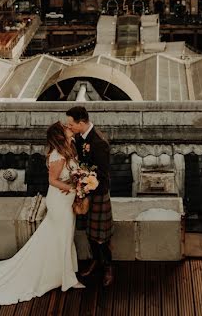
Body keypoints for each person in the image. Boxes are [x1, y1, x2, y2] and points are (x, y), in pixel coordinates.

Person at [0, 122, 84, 306]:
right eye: (66, 127)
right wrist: (74, 188)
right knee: (63, 237)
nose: (69, 127)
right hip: (60, 202)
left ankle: (64, 272)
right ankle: (67, 278)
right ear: (60, 135)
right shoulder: (58, 155)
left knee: (60, 237)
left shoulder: (69, 148)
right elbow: (52, 180)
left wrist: (79, 182)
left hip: (65, 201)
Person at [65, 105, 114, 286]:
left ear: (82, 122)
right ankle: (96, 260)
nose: (69, 127)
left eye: (71, 124)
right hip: (85, 191)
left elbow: (102, 174)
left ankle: (108, 267)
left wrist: (85, 183)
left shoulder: (99, 143)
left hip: (98, 193)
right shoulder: (79, 138)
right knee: (89, 232)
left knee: (101, 236)